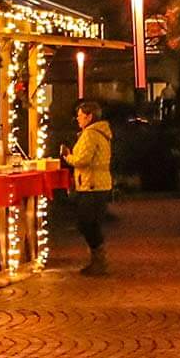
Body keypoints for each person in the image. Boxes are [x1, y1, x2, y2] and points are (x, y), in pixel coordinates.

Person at [61, 98, 114, 275]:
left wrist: (68, 157)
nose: (78, 119)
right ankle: (97, 259)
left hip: (91, 185)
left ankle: (99, 260)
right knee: (91, 223)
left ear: (89, 116)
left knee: (87, 223)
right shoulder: (100, 133)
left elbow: (83, 160)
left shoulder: (90, 134)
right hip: (97, 183)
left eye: (80, 116)